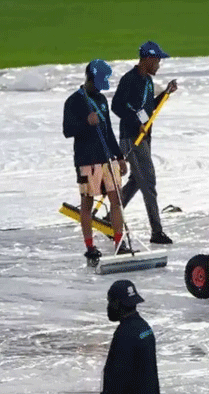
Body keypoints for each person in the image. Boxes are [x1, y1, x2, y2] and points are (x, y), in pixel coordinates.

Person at [111, 41, 178, 245]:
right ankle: (156, 231)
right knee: (148, 182)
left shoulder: (148, 81)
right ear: (148, 59)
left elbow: (148, 108)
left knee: (136, 181)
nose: (159, 65)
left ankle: (110, 217)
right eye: (157, 61)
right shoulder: (129, 79)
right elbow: (116, 106)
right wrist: (135, 122)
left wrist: (165, 93)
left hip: (144, 138)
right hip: (132, 138)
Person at [63, 59, 129, 264]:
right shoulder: (74, 101)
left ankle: (119, 242)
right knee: (87, 203)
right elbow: (67, 130)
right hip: (86, 160)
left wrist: (119, 157)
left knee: (116, 200)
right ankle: (90, 247)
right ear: (90, 78)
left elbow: (108, 131)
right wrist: (86, 122)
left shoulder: (101, 100)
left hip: (107, 158)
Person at [102, 279, 159, 394]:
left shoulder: (125, 334)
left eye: (110, 301)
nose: (108, 307)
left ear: (118, 303)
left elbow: (117, 379)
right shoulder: (145, 328)